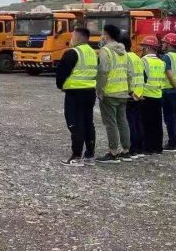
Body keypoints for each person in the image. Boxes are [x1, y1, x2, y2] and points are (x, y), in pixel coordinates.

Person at [55, 27, 97, 167]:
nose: (71, 39)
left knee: (75, 123)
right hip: (90, 92)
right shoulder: (93, 53)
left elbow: (61, 73)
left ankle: (76, 156)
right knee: (88, 122)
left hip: (75, 93)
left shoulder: (72, 53)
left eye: (72, 36)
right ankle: (90, 154)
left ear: (78, 38)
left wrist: (61, 86)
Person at [95, 24, 131, 164]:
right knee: (123, 121)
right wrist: (129, 89)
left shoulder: (105, 51)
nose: (101, 36)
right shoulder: (124, 50)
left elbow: (103, 71)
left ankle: (113, 153)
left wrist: (100, 90)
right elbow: (129, 72)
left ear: (107, 35)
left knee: (110, 123)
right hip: (123, 92)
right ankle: (126, 151)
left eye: (103, 33)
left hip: (110, 92)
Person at [140, 35, 165, 155]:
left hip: (146, 95)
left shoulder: (143, 61)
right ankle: (158, 147)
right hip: (158, 95)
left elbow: (141, 78)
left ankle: (148, 148)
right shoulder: (161, 62)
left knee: (146, 123)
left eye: (144, 47)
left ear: (149, 47)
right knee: (157, 123)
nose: (142, 49)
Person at [122, 36, 145, 158]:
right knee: (137, 121)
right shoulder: (137, 58)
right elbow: (144, 76)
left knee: (129, 123)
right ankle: (140, 148)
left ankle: (132, 149)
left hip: (129, 94)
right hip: (139, 93)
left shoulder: (124, 58)